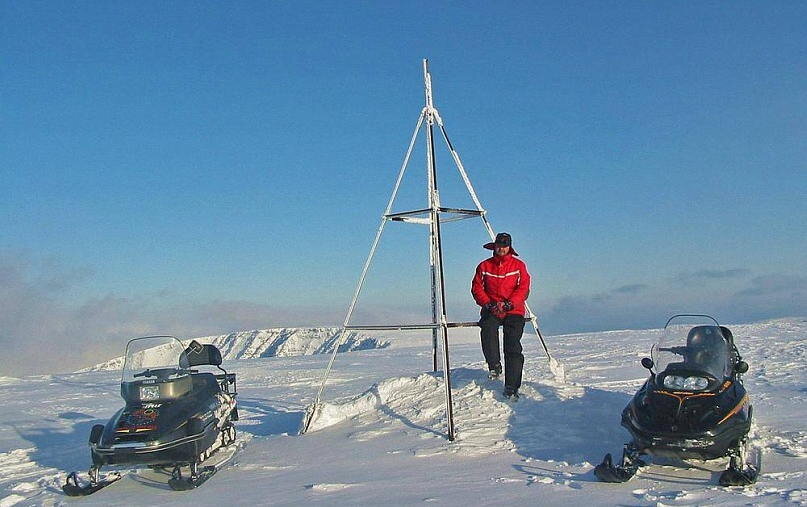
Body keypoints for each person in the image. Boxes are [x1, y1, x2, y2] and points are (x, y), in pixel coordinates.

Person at [471, 232, 531, 399]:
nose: (501, 248)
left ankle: (512, 386)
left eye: (505, 245)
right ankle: (494, 365)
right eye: (499, 245)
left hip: (513, 309)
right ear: (494, 246)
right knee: (488, 328)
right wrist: (488, 304)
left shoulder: (518, 266)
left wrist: (509, 303)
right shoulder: (484, 266)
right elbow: (477, 288)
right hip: (492, 308)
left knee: (512, 345)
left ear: (509, 247)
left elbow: (523, 288)